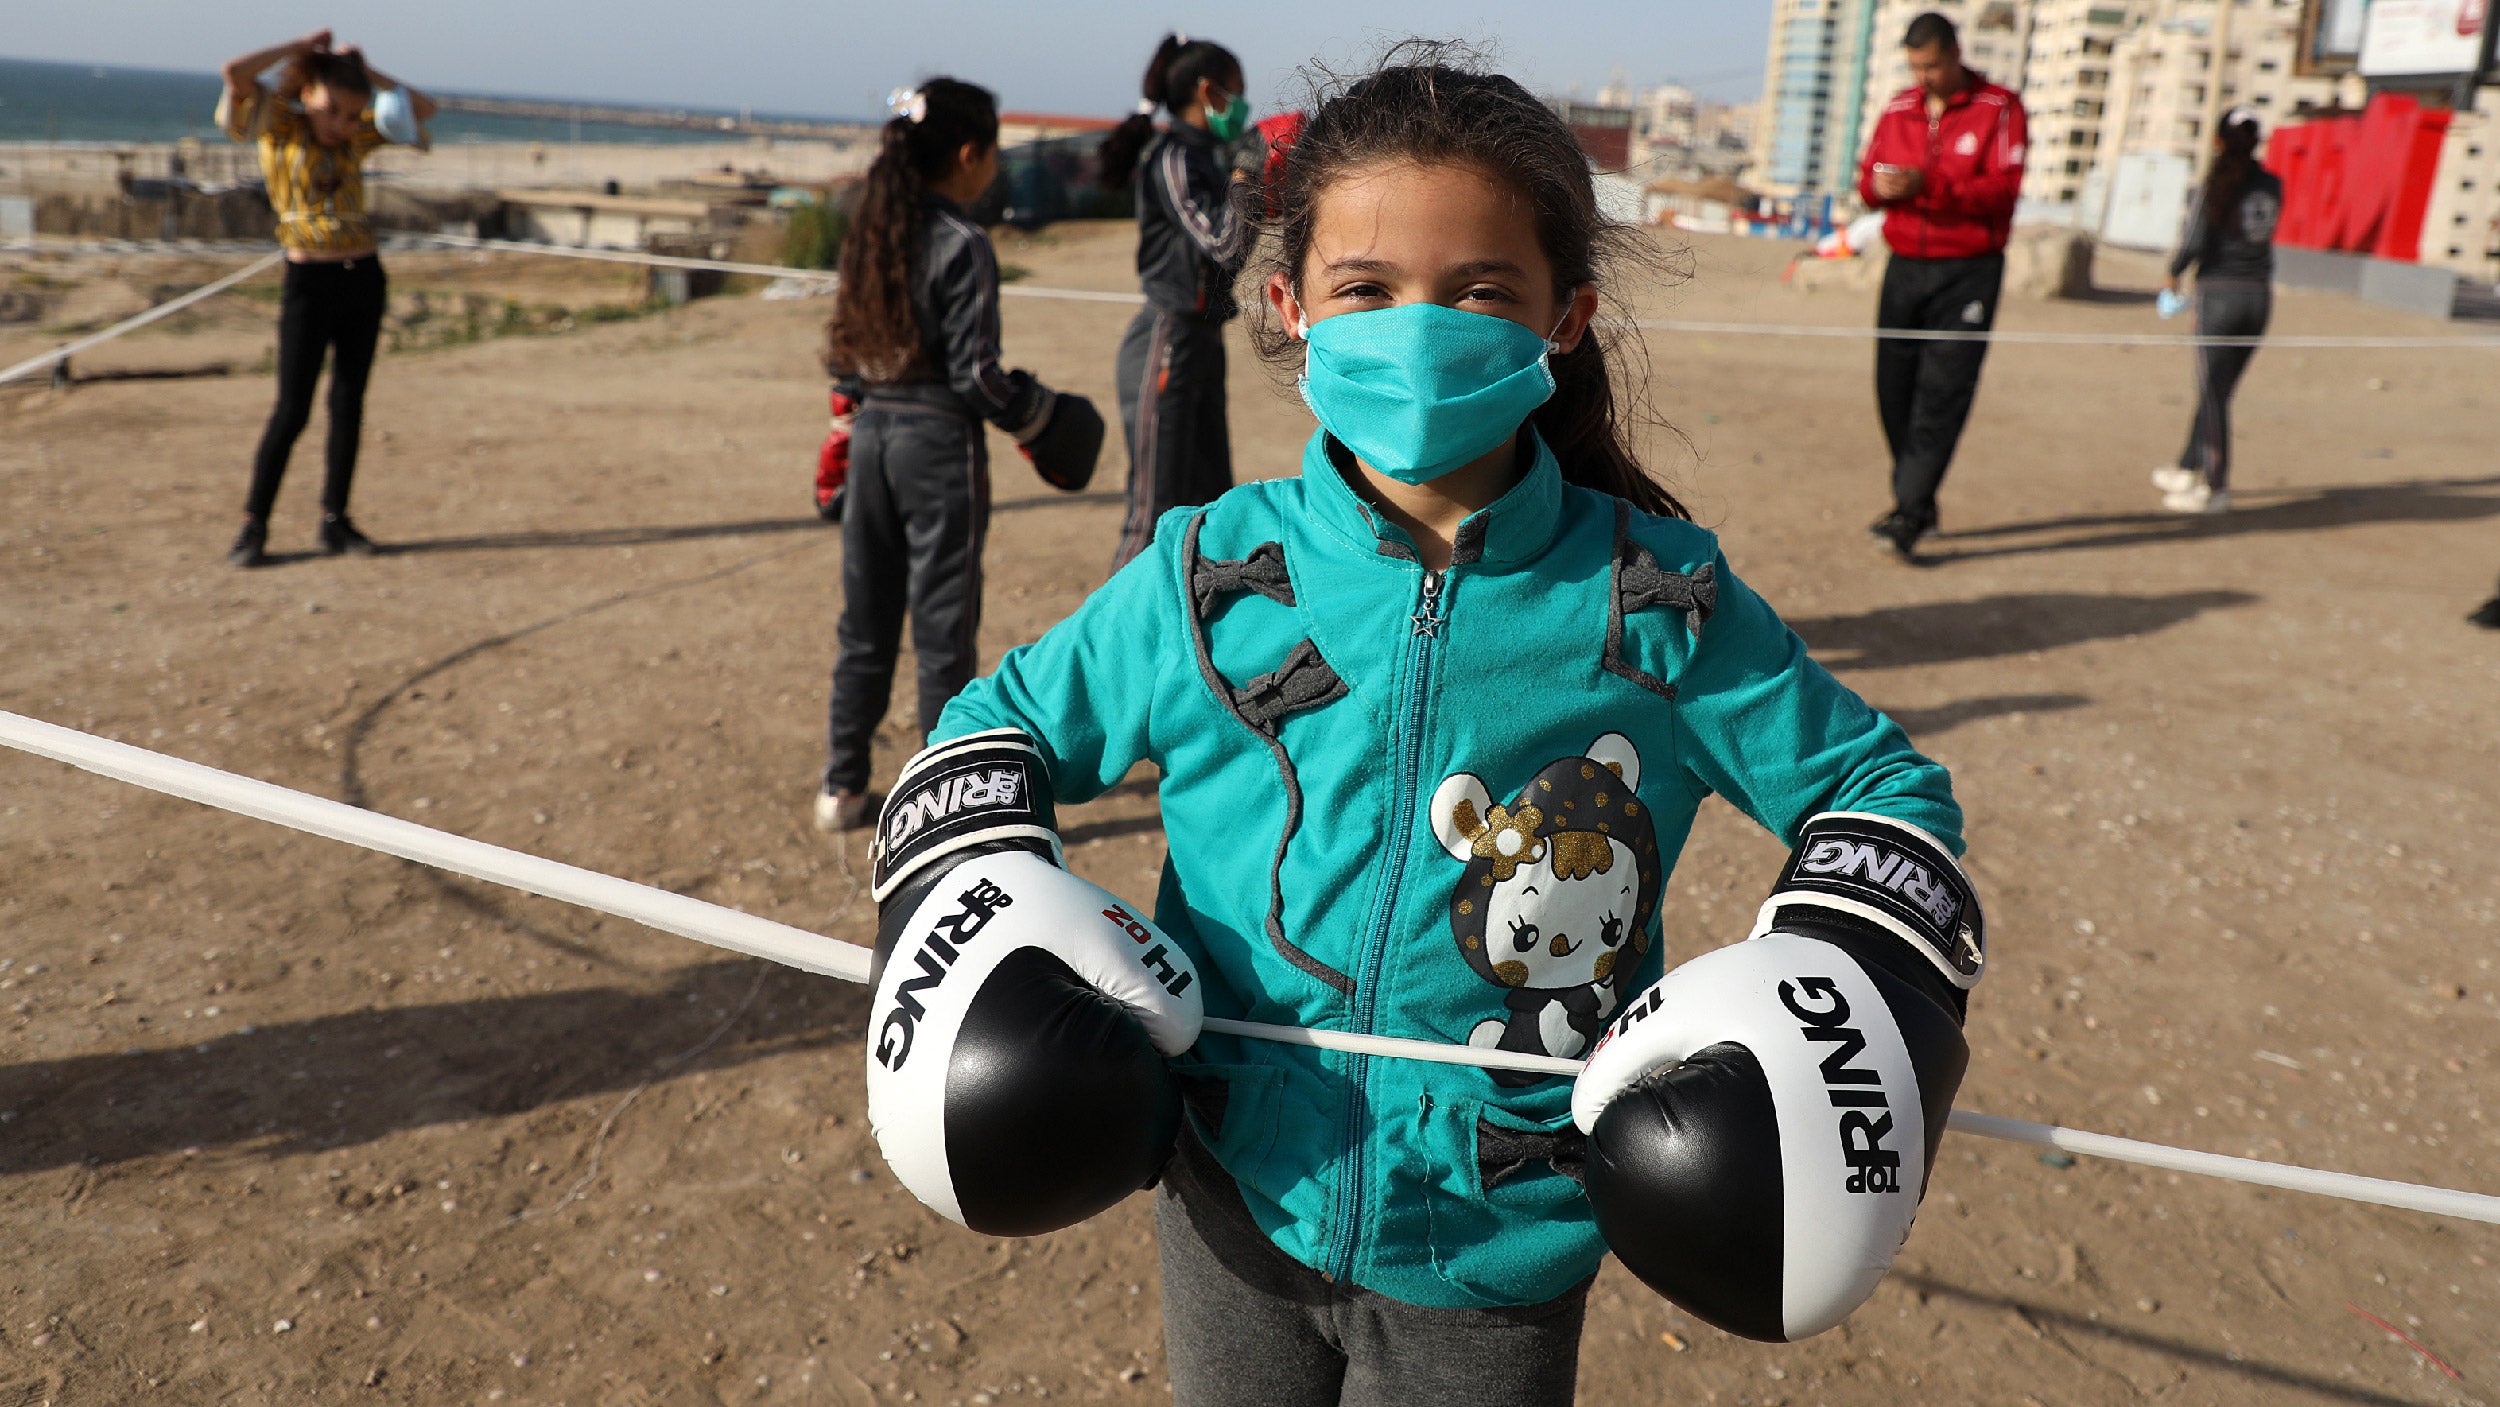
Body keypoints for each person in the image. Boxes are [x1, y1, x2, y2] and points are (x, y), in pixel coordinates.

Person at [855, 50, 1988, 1405]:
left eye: (1478, 290)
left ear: (1563, 317)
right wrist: (971, 905)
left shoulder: (1655, 598)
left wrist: (1854, 986)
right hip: (1235, 1194)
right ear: (1289, 305)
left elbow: (1877, 786)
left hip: (1501, 1240)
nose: (1420, 327)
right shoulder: (1209, 570)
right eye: (1368, 291)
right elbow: (996, 726)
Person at [814, 80, 1096, 832]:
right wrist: (1042, 416)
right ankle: (933, 803)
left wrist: (842, 438)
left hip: (871, 435)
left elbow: (847, 358)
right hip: (937, 448)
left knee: (865, 619)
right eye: (993, 152)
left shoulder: (871, 231)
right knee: (944, 629)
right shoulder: (963, 243)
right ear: (970, 154)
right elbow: (977, 378)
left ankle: (841, 785)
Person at [216, 30, 434, 568]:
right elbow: (235, 74)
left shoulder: (358, 136)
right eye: (333, 109)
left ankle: (335, 519)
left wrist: (366, 75)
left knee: (348, 404)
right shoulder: (279, 124)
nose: (340, 124)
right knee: (292, 408)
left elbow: (425, 109)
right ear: (309, 90)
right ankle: (254, 524)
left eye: (350, 114)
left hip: (363, 277)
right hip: (308, 284)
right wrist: (299, 49)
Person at [1856, 11, 2027, 561]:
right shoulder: (1900, 109)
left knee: (1943, 393)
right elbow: (1866, 184)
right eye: (1914, 67)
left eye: (1931, 65)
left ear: (1955, 54)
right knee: (1893, 390)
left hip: (1970, 269)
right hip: (1905, 264)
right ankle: (1918, 501)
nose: (1922, 77)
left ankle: (1908, 510)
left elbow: (2003, 190)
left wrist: (1930, 183)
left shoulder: (1998, 107)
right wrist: (1886, 188)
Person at [1097, 35, 1260, 571]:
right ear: (1209, 91)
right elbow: (1222, 241)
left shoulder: (1208, 156)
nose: (1241, 106)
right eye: (1236, 93)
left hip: (1203, 340)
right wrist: (1247, 178)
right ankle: (1115, 649)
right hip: (1166, 341)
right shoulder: (1174, 158)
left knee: (1211, 509)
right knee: (1152, 515)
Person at [2152, 107, 2279, 515]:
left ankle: (2216, 488)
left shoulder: (2215, 184)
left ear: (2219, 142)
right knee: (2218, 391)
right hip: (2259, 298)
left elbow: (2193, 242)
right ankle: (2187, 466)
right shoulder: (2274, 185)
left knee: (2212, 395)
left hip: (2219, 297)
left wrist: (2172, 276)